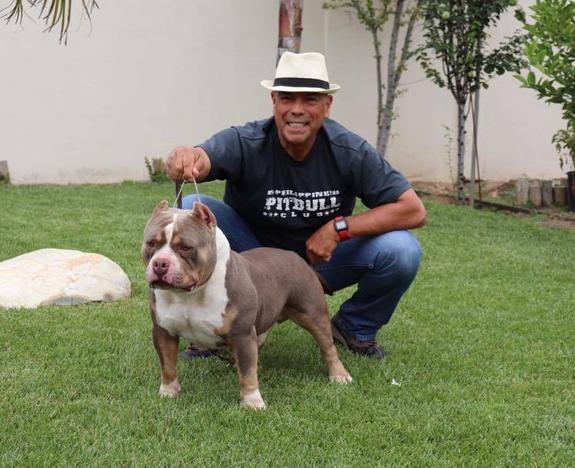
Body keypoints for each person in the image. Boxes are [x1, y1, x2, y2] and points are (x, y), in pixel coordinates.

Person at [166, 51, 426, 359]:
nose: (297, 109)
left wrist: (338, 228)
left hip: (320, 261)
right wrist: (189, 158)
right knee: (193, 205)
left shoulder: (349, 150)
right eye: (287, 98)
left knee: (402, 251)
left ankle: (354, 327)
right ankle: (208, 329)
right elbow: (204, 158)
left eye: (310, 100)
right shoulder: (246, 141)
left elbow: (413, 209)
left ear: (327, 105)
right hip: (253, 263)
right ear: (274, 101)